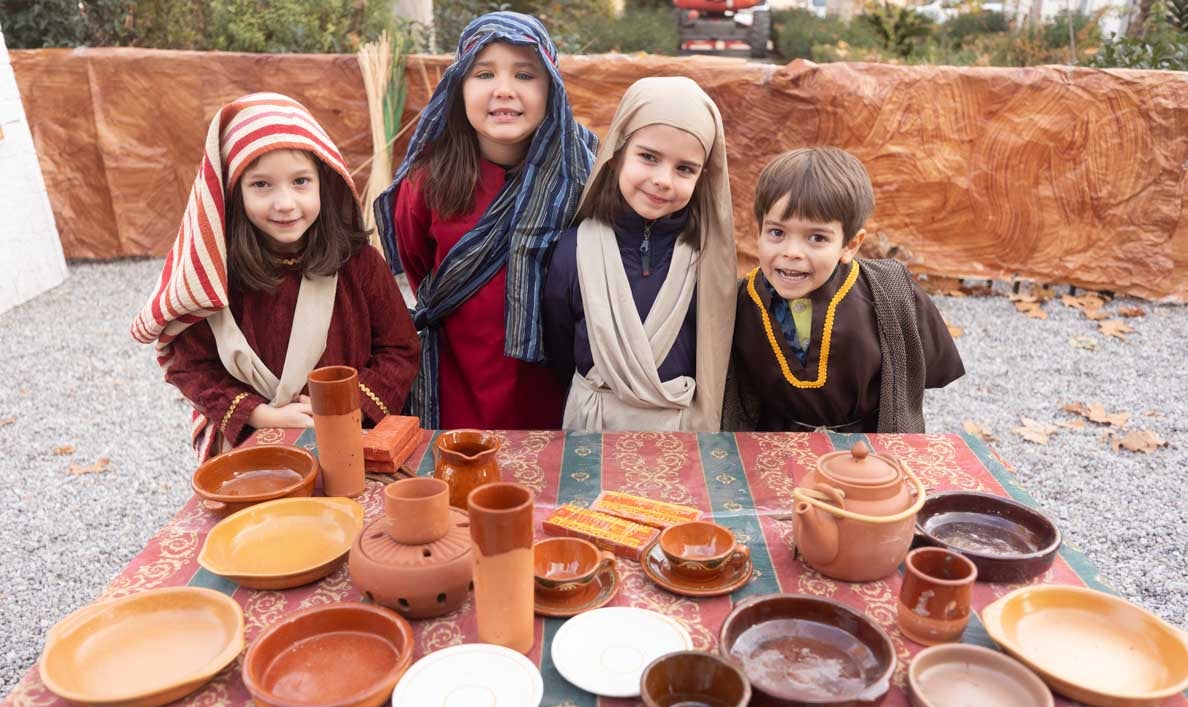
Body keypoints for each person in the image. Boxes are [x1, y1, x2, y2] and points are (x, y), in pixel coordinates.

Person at [131, 92, 420, 460]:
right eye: (261, 185)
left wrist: (347, 405)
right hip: (253, 442)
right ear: (233, 193)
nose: (285, 204)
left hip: (347, 435)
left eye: (300, 181)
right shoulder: (216, 276)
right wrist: (260, 414)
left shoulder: (357, 263)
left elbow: (400, 347)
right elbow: (190, 365)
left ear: (324, 183)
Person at [374, 11, 597, 430]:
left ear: (552, 86)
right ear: (458, 88)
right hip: (458, 379)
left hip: (552, 390)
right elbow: (421, 270)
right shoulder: (428, 181)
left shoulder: (584, 176)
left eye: (526, 75)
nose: (504, 91)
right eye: (484, 74)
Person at [542, 76, 736, 432]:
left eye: (684, 168)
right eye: (648, 157)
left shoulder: (707, 260)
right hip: (591, 424)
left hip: (678, 431)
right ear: (616, 156)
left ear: (702, 178)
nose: (663, 179)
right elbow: (559, 347)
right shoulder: (574, 251)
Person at [723, 147, 964, 433]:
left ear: (850, 245)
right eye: (777, 232)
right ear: (759, 231)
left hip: (867, 451)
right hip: (771, 452)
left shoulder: (890, 293)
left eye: (817, 237)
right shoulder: (740, 301)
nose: (792, 252)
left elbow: (924, 372)